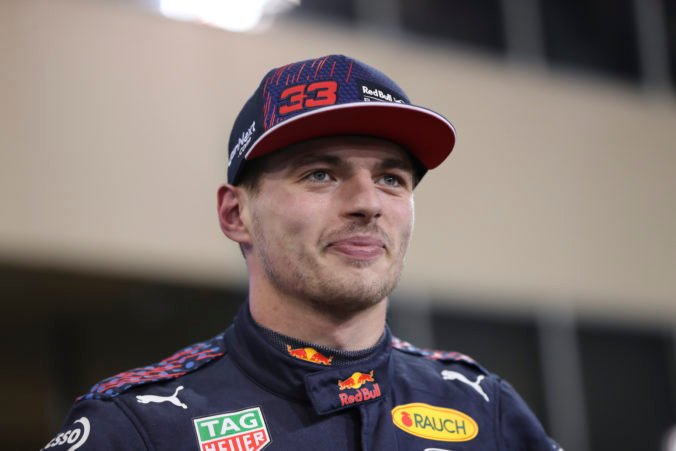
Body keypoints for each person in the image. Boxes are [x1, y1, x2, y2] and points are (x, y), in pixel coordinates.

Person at [44, 54, 562, 450]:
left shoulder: (487, 409)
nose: (367, 204)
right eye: (320, 174)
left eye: (391, 178)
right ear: (235, 214)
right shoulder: (137, 427)